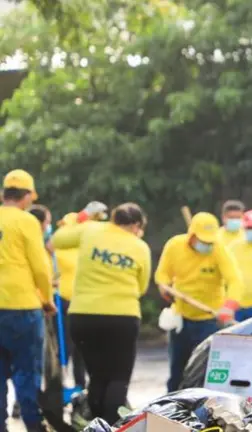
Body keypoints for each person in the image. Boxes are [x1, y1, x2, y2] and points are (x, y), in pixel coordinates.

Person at [52, 203, 151, 424]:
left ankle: (95, 424)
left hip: (83, 316)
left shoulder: (90, 229)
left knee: (97, 376)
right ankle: (111, 424)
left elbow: (58, 239)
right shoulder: (139, 246)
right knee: (118, 377)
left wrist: (82, 216)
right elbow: (142, 286)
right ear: (136, 225)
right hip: (122, 318)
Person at [155, 212, 244, 392]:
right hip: (181, 318)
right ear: (192, 235)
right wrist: (164, 287)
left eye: (210, 241)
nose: (208, 245)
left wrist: (229, 306)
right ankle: (172, 403)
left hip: (209, 320)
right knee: (178, 370)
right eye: (204, 241)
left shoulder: (219, 250)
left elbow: (235, 280)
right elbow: (162, 274)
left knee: (205, 370)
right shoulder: (174, 245)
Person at [0, 169, 56, 432]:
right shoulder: (26, 221)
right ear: (26, 197)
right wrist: (47, 299)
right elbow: (40, 268)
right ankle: (33, 424)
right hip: (22, 306)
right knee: (27, 370)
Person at [53, 213, 88, 391]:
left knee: (68, 346)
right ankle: (73, 384)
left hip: (72, 301)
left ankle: (70, 385)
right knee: (73, 347)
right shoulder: (82, 249)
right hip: (69, 301)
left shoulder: (58, 250)